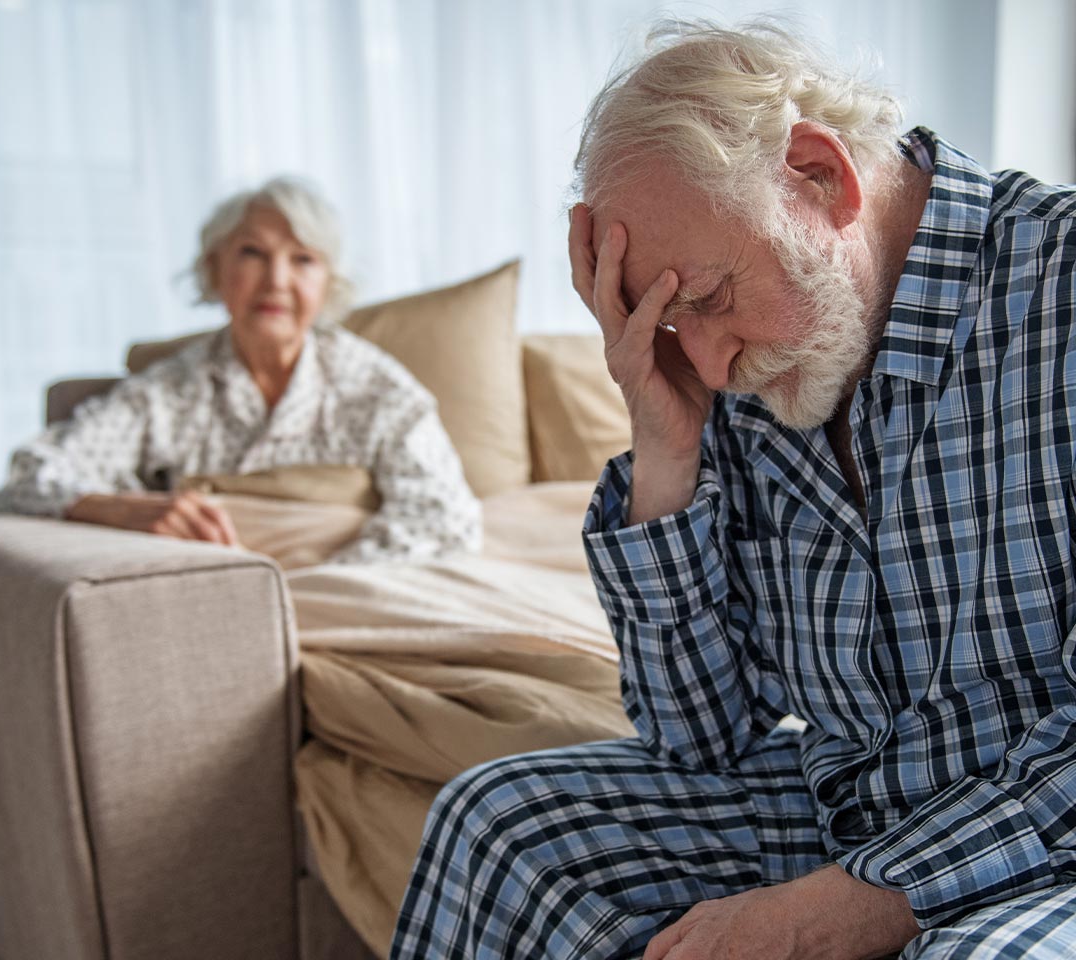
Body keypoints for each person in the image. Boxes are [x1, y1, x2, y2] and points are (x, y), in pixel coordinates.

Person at [390, 20, 1075, 960]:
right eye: (671, 326)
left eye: (706, 299)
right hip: (844, 810)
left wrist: (851, 906)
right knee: (501, 823)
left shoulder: (1062, 291)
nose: (708, 364)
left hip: (1047, 847)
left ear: (818, 176)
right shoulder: (749, 375)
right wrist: (666, 451)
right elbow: (699, 734)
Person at [0, 176, 480, 564]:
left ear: (328, 282)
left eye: (303, 260)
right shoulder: (170, 391)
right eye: (253, 254)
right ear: (214, 269)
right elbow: (32, 472)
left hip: (354, 592)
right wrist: (120, 507)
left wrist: (305, 594)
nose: (276, 281)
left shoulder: (377, 387)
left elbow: (444, 517)